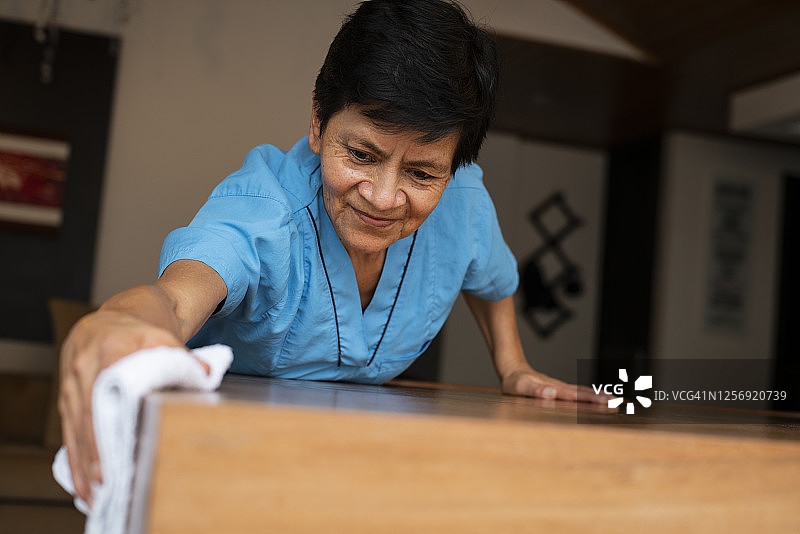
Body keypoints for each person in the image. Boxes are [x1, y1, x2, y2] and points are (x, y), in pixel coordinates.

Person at [59, 0, 602, 506]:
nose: (384, 198)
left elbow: (492, 279)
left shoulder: (463, 203)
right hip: (221, 455)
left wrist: (512, 365)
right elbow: (175, 300)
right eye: (361, 154)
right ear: (318, 122)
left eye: (422, 173)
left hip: (357, 456)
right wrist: (118, 321)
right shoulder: (264, 209)